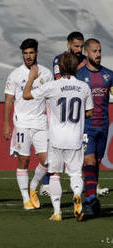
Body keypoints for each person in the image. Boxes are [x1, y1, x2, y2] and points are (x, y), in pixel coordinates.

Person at [23, 52, 93, 222]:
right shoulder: (84, 87)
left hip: (56, 138)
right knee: (75, 173)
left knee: (54, 174)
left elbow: (26, 95)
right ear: (76, 67)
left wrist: (32, 77)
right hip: (75, 137)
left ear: (60, 68)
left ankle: (57, 212)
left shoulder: (52, 86)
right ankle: (77, 195)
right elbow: (89, 112)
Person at [3, 39, 53, 210]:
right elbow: (9, 100)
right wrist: (6, 124)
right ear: (22, 54)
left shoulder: (46, 74)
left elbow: (50, 100)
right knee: (23, 161)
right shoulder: (15, 74)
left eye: (31, 52)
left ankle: (33, 187)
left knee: (48, 161)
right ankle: (25, 198)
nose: (28, 56)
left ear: (36, 53)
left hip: (40, 122)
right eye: (25, 53)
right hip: (22, 124)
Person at [40, 31, 87, 196]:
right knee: (54, 146)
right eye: (76, 46)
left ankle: (89, 185)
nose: (79, 49)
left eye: (81, 46)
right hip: (58, 107)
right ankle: (46, 182)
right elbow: (58, 78)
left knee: (83, 151)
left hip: (78, 109)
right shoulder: (60, 60)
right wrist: (78, 67)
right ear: (68, 45)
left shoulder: (85, 60)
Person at [76, 38, 113, 216]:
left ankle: (91, 196)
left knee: (96, 164)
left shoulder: (109, 75)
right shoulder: (79, 76)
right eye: (94, 51)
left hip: (103, 126)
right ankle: (91, 200)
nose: (98, 54)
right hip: (86, 127)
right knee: (88, 161)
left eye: (99, 51)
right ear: (87, 53)